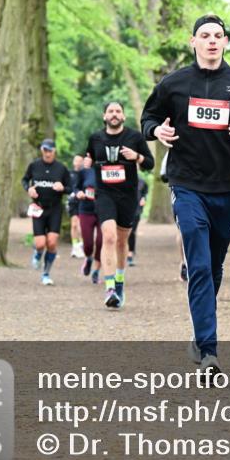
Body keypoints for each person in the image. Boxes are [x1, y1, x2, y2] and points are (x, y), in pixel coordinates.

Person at [142, 14, 230, 374]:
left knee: (213, 267)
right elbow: (147, 120)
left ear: (226, 43)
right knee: (199, 265)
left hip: (227, 188)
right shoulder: (174, 84)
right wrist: (157, 131)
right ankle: (209, 351)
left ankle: (199, 331)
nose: (212, 41)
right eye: (205, 35)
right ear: (193, 42)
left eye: (218, 36)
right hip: (186, 185)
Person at [85, 101, 154, 309]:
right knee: (109, 236)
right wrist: (86, 162)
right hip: (104, 193)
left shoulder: (135, 137)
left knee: (122, 243)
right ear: (104, 116)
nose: (114, 114)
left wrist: (138, 157)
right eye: (110, 111)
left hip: (127, 195)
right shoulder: (95, 138)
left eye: (118, 111)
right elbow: (88, 156)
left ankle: (120, 281)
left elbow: (150, 164)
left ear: (123, 116)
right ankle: (109, 289)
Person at [21, 139, 71, 285]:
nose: (47, 153)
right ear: (42, 150)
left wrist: (63, 188)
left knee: (52, 242)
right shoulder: (34, 165)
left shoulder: (61, 168)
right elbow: (25, 180)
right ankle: (37, 254)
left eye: (50, 150)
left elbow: (71, 188)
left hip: (55, 208)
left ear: (55, 151)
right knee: (40, 243)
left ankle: (46, 273)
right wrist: (28, 189)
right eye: (45, 150)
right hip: (38, 208)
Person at [73, 159, 102, 284]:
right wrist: (78, 193)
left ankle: (96, 272)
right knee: (88, 244)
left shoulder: (107, 170)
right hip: (86, 210)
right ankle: (88, 258)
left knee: (101, 242)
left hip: (103, 211)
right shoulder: (84, 172)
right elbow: (75, 187)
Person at [160, 150, 188, 283]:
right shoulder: (175, 146)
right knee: (183, 228)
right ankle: (184, 262)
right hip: (181, 190)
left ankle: (188, 263)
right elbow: (163, 174)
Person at [126, 174, 149, 266]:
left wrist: (144, 198)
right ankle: (122, 252)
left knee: (132, 231)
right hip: (124, 209)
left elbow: (145, 193)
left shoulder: (142, 181)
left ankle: (130, 253)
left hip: (136, 210)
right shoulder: (124, 178)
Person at [68, 155, 85, 258]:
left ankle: (82, 245)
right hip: (73, 202)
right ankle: (75, 246)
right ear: (73, 162)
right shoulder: (69, 174)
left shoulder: (85, 174)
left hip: (83, 202)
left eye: (80, 161)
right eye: (76, 160)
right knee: (74, 225)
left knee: (81, 226)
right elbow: (67, 187)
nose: (78, 162)